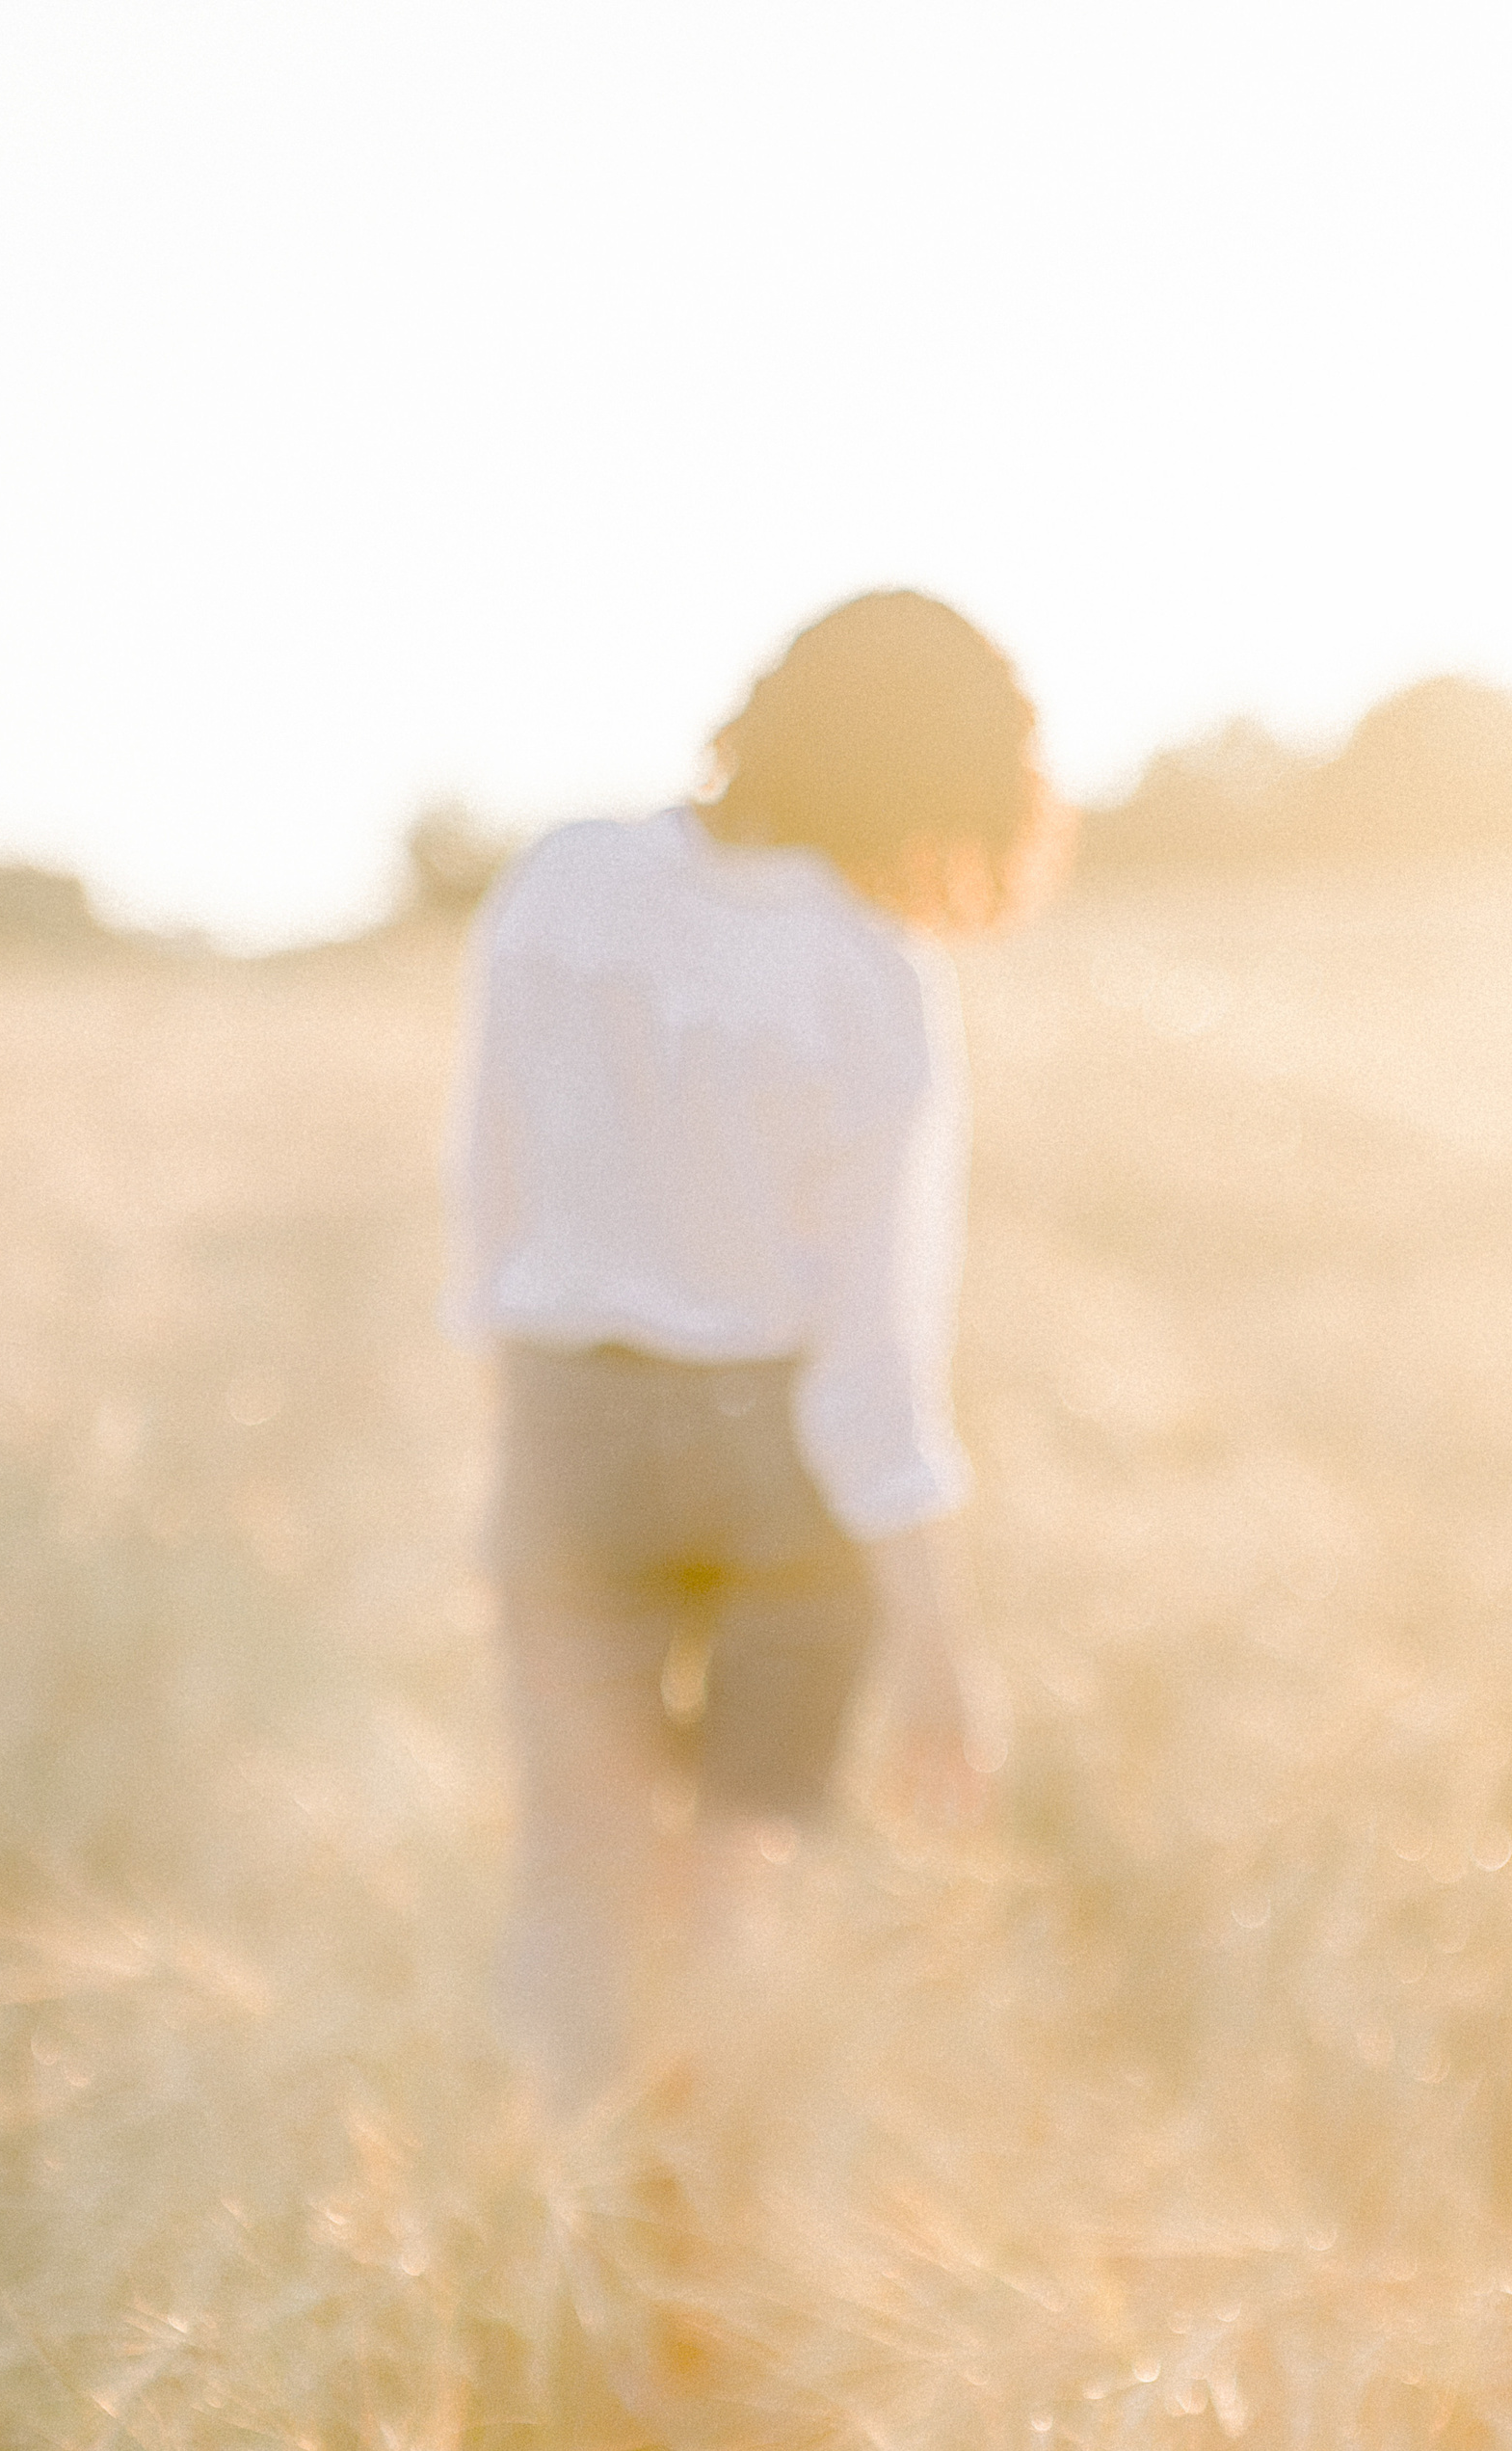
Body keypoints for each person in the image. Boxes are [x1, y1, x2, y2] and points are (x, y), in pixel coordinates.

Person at [451, 590, 1064, 2107]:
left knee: (579, 1864)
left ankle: (563, 2212)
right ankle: (710, 2184)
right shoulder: (870, 978)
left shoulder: (564, 884)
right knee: (739, 1881)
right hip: (775, 1448)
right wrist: (942, 1647)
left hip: (566, 1415)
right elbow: (876, 1352)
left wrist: (532, 1437)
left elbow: (488, 1194)